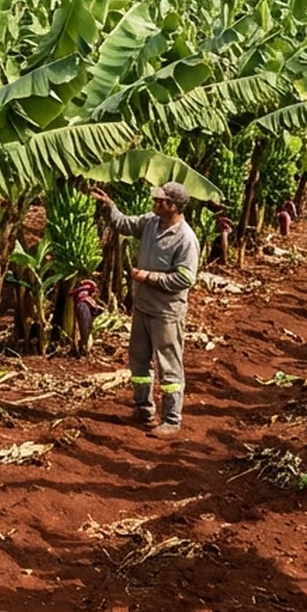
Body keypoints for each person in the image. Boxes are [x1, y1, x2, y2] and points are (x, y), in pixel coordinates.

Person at [89, 181, 200, 432]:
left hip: (166, 312)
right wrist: (110, 207)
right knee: (139, 360)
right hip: (143, 306)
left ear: (172, 206)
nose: (154, 204)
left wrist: (149, 277)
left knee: (168, 364)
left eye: (159, 201)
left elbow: (185, 278)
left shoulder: (185, 239)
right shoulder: (150, 223)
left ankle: (171, 419)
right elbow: (125, 224)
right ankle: (143, 408)